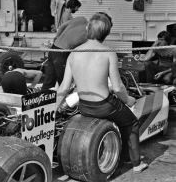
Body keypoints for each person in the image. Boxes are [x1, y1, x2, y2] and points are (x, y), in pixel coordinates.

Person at [57, 12, 148, 173]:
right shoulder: (108, 53)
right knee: (131, 122)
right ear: (106, 33)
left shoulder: (73, 53)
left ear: (87, 28)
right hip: (104, 106)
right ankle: (135, 163)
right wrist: (128, 100)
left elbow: (63, 88)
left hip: (84, 106)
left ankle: (123, 154)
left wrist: (54, 109)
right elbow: (118, 87)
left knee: (120, 116)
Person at [41, 16, 88, 91]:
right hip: (61, 54)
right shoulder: (87, 36)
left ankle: (42, 101)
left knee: (49, 81)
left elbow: (62, 26)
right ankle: (64, 102)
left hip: (54, 48)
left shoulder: (81, 19)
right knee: (65, 84)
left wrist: (56, 37)